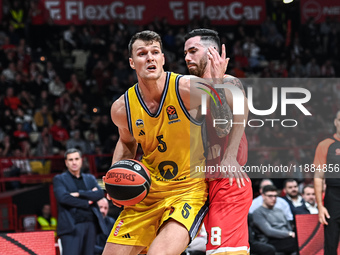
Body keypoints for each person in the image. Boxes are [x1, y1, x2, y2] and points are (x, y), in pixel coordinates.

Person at [103, 30, 228, 255]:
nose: (150, 57)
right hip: (147, 189)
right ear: (132, 63)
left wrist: (216, 86)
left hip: (188, 189)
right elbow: (126, 143)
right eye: (142, 54)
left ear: (163, 59)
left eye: (155, 52)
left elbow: (224, 126)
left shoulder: (187, 88)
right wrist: (116, 178)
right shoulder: (122, 108)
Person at [184, 28, 251, 255]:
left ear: (212, 52)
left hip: (228, 181)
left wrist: (217, 83)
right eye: (185, 53)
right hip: (202, 183)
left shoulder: (230, 83)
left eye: (193, 51)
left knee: (223, 251)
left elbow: (223, 129)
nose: (187, 57)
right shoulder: (190, 89)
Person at [53, 148, 107, 255]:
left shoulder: (90, 178)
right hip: (71, 226)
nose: (74, 162)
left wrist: (79, 194)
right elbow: (63, 198)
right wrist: (87, 202)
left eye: (76, 159)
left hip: (91, 224)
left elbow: (100, 193)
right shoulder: (59, 179)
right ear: (66, 162)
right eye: (70, 160)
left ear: (81, 160)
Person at [314, 110, 340, 255]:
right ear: (336, 122)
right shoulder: (325, 145)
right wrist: (320, 206)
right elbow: (318, 177)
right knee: (331, 243)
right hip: (333, 197)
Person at [252, 185, 297, 254]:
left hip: (287, 238)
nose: (273, 198)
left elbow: (289, 227)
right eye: (270, 196)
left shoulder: (280, 210)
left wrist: (290, 233)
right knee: (298, 242)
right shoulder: (258, 212)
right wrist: (288, 234)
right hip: (272, 240)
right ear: (263, 196)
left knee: (301, 240)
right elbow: (268, 231)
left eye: (275, 196)